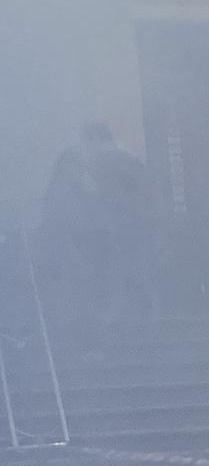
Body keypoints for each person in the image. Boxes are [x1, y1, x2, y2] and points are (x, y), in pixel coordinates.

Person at [41, 123, 153, 346]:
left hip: (94, 233)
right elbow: (144, 196)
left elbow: (70, 197)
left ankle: (104, 330)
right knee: (122, 279)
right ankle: (126, 327)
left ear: (89, 139)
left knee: (97, 281)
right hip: (115, 232)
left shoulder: (81, 162)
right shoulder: (127, 160)